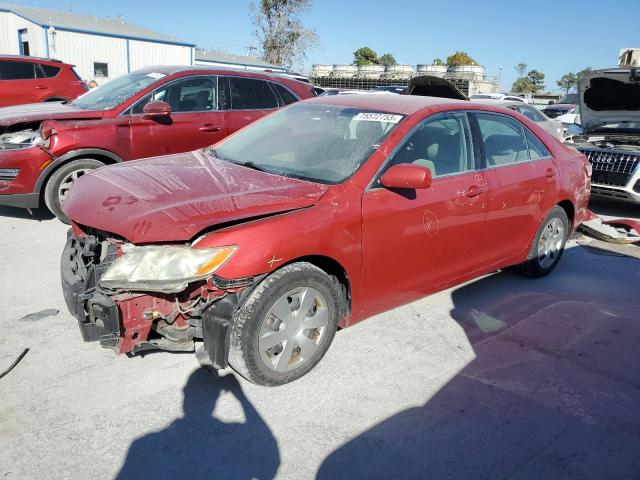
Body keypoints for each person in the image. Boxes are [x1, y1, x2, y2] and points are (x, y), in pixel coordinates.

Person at [116, 368, 280, 479]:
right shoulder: (229, 433)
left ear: (184, 393)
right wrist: (241, 396)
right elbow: (270, 464)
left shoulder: (140, 445)